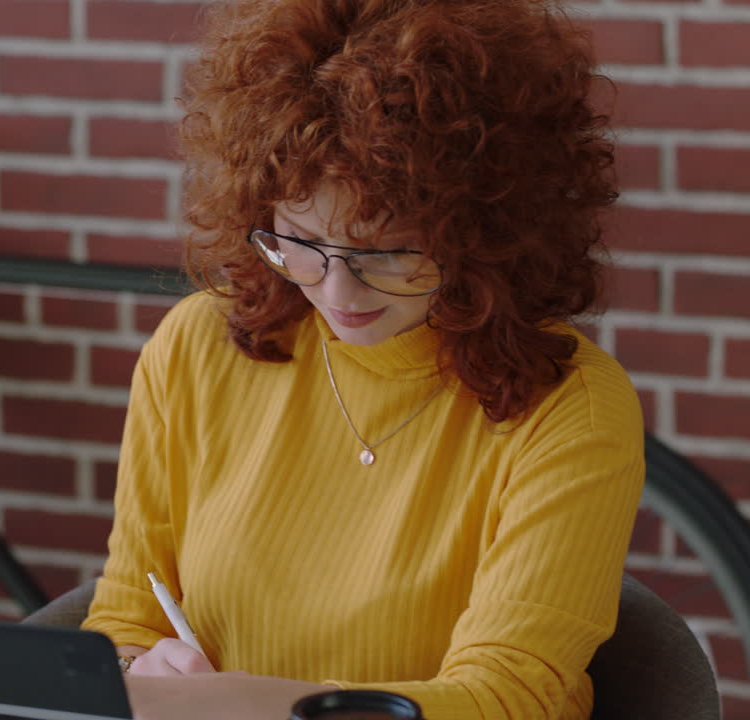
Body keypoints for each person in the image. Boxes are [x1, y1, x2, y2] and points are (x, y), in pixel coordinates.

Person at [79, 1, 644, 719]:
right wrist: (138, 669)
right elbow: (125, 616)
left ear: (486, 233)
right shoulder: (198, 348)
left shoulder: (571, 409)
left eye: (387, 252)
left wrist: (243, 705)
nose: (336, 292)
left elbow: (508, 698)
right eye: (301, 240)